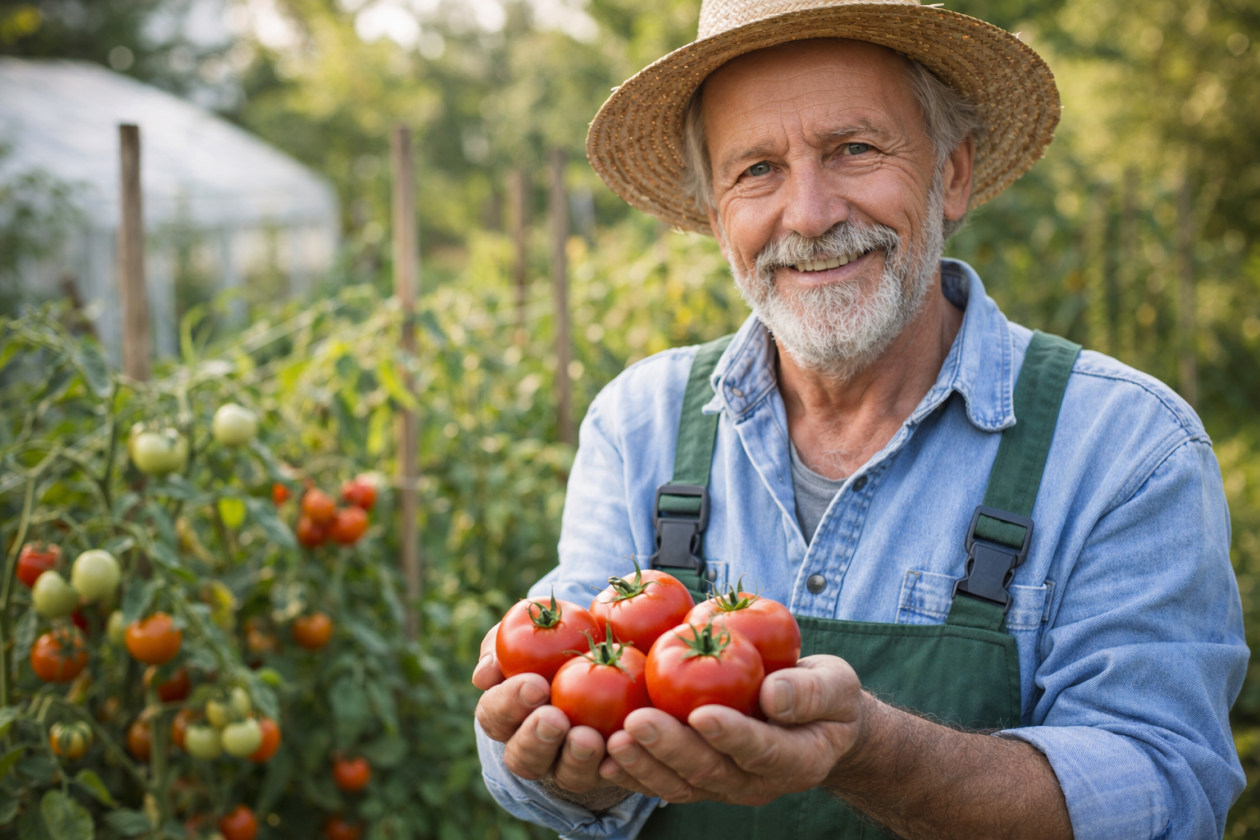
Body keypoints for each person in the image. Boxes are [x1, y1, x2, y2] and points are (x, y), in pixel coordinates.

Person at [473, 0, 1247, 837]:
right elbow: (534, 753)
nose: (809, 214)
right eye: (757, 169)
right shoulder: (640, 425)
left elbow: (1165, 788)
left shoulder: (1125, 446)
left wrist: (871, 749)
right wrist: (560, 763)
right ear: (714, 213)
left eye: (853, 149)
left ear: (951, 174)